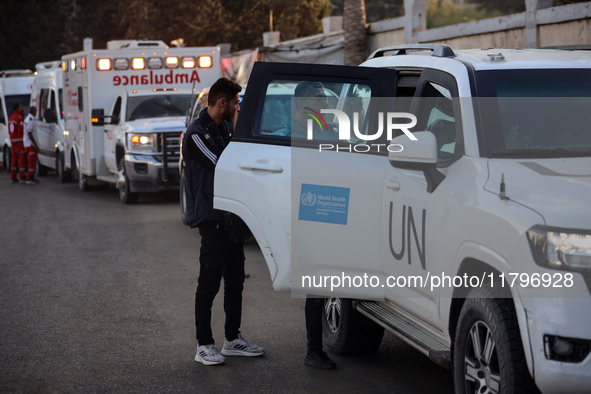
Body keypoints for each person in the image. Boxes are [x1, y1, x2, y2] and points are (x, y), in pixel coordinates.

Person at [182, 77, 265, 366]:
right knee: (209, 283)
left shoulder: (223, 129)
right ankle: (203, 344)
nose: (237, 107)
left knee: (235, 281)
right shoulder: (196, 134)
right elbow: (224, 166)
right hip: (213, 218)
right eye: (235, 103)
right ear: (222, 103)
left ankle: (232, 339)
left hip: (231, 217)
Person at [272, 81, 337, 140]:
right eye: (319, 98)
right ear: (300, 103)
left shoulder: (334, 135)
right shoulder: (279, 138)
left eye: (325, 99)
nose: (326, 104)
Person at [8, 103, 26, 184]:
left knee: (14, 161)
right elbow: (20, 130)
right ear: (17, 108)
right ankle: (22, 177)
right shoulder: (19, 118)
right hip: (19, 142)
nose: (22, 107)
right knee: (21, 160)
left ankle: (13, 177)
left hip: (13, 141)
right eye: (21, 106)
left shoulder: (11, 118)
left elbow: (11, 130)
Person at [23, 106, 40, 184]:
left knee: (32, 162)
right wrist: (35, 144)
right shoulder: (30, 120)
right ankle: (29, 178)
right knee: (31, 162)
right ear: (34, 112)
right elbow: (29, 133)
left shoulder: (30, 119)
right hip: (30, 145)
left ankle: (31, 177)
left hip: (29, 144)